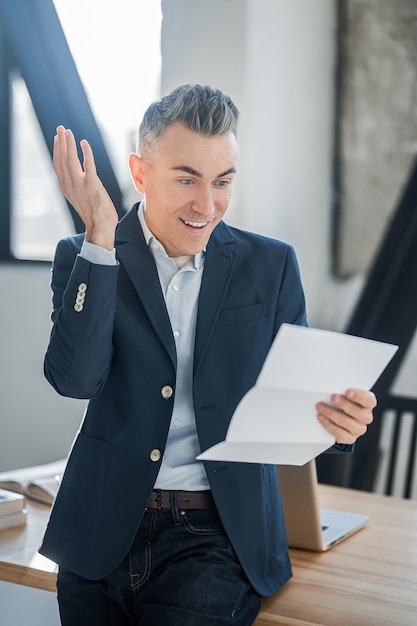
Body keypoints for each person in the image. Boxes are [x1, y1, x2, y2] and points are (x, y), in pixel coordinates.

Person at [40, 83, 376, 626]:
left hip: (216, 537)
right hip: (99, 527)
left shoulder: (270, 266)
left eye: (223, 182)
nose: (207, 204)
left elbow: (302, 400)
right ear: (141, 172)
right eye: (186, 178)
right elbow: (76, 379)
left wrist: (340, 423)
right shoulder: (87, 258)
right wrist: (100, 236)